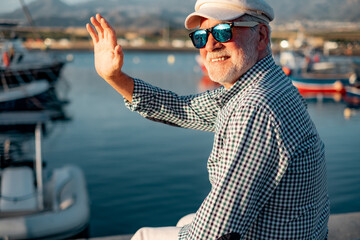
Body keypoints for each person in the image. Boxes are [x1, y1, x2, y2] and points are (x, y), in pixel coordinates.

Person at [86, 0, 330, 239]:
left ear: (262, 36)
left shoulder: (256, 108)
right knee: (185, 222)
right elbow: (183, 109)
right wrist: (115, 77)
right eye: (201, 37)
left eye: (223, 31)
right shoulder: (262, 86)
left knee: (143, 236)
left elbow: (214, 232)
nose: (210, 45)